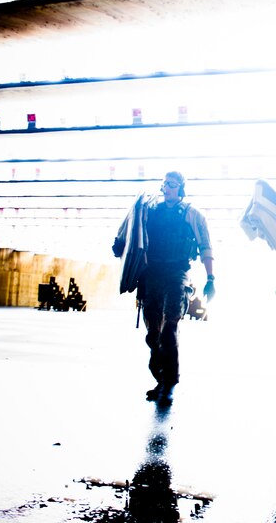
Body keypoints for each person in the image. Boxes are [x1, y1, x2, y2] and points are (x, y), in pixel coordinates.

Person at [112, 171, 215, 406]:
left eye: (172, 184)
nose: (166, 187)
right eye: (165, 183)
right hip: (151, 275)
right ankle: (160, 380)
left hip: (177, 274)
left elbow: (205, 246)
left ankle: (169, 383)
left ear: (181, 188)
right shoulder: (149, 211)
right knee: (153, 334)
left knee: (169, 327)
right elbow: (133, 232)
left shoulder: (192, 215)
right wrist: (120, 243)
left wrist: (211, 278)